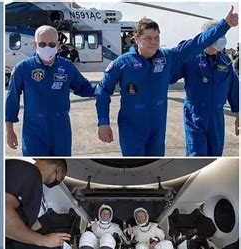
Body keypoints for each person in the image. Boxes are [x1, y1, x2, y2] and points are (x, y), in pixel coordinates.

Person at [96, 7, 238, 156]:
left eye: (157, 37)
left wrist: (225, 25)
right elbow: (103, 90)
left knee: (156, 165)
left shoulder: (167, 58)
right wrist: (103, 122)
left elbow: (198, 43)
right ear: (136, 39)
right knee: (134, 165)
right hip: (132, 128)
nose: (153, 42)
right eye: (148, 38)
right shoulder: (122, 64)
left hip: (157, 128)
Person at [6, 25, 96, 156]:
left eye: (51, 44)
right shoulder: (23, 68)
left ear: (58, 45)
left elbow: (84, 88)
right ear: (34, 44)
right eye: (42, 44)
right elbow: (11, 99)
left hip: (61, 131)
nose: (47, 47)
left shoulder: (67, 66)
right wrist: (9, 131)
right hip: (34, 132)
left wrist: (103, 88)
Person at [170, 20, 239, 156]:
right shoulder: (190, 59)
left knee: (215, 154)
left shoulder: (226, 63)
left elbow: (234, 90)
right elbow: (170, 76)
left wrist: (238, 115)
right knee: (196, 154)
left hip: (216, 118)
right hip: (195, 116)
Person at [6, 159, 70, 249]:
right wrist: (44, 241)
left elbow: (28, 219)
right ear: (58, 170)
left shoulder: (34, 182)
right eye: (62, 178)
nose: (60, 181)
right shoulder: (27, 172)